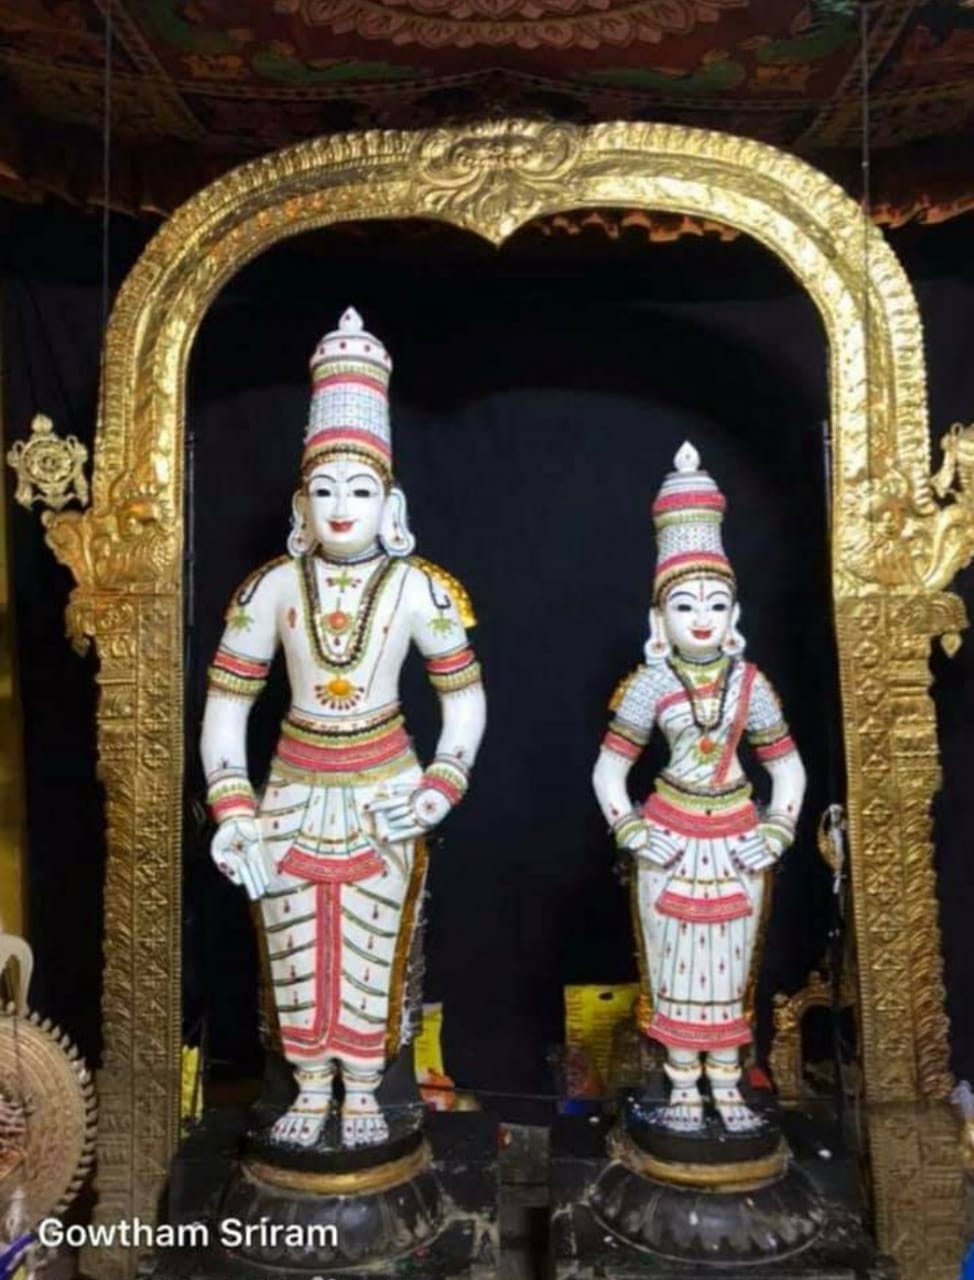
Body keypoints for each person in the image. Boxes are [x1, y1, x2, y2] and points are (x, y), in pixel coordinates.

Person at [200, 309, 486, 1148]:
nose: (340, 508)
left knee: (373, 947)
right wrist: (233, 808)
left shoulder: (420, 589)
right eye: (324, 490)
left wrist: (440, 785)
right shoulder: (270, 589)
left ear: (390, 502)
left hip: (385, 790)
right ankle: (306, 1086)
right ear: (301, 501)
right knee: (293, 947)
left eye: (359, 491)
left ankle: (363, 1090)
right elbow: (227, 705)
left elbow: (464, 701)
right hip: (290, 792)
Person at [592, 442, 805, 1133]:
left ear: (735, 615)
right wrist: (629, 827)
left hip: (739, 838)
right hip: (669, 838)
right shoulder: (650, 683)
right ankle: (683, 1085)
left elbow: (787, 766)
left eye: (717, 603)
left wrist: (779, 827)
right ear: (660, 620)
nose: (703, 618)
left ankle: (729, 1083)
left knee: (732, 969)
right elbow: (609, 770)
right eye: (685, 605)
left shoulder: (752, 685)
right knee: (674, 968)